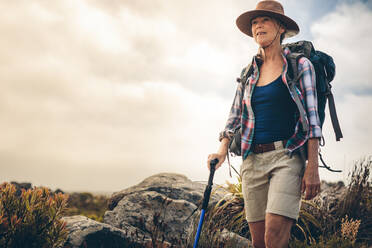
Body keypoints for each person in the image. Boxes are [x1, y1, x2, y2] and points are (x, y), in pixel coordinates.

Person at [207, 1, 322, 247]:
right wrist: (221, 150)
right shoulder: (248, 72)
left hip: (287, 157)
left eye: (265, 20)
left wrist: (313, 167)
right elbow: (234, 116)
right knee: (259, 242)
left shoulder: (300, 66)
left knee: (274, 235)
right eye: (254, 23)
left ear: (281, 27)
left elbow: (313, 119)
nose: (258, 26)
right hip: (251, 160)